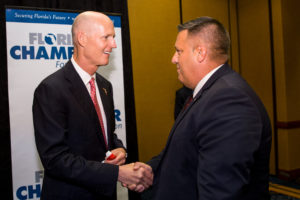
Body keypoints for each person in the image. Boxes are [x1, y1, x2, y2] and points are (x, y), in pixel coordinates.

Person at [137, 16, 272, 199]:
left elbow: (220, 191)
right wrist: (149, 169)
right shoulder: (208, 93)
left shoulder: (229, 101)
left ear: (200, 53)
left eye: (179, 51)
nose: (173, 59)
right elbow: (186, 151)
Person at [32, 11, 152, 200]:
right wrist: (117, 173)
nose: (113, 45)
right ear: (82, 39)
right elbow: (55, 159)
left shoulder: (105, 86)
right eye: (106, 37)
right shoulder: (51, 89)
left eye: (113, 37)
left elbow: (105, 136)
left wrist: (120, 149)